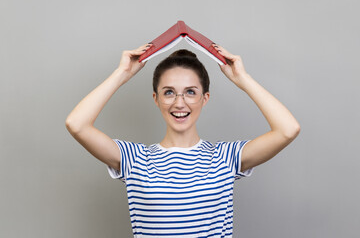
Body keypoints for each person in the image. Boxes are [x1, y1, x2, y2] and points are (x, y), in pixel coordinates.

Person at [65, 43, 300, 237]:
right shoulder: (133, 158)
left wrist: (243, 78)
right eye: (169, 92)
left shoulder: (225, 157)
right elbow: (77, 124)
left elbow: (287, 129)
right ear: (156, 99)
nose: (179, 103)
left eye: (190, 92)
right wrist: (121, 75)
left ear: (204, 98)